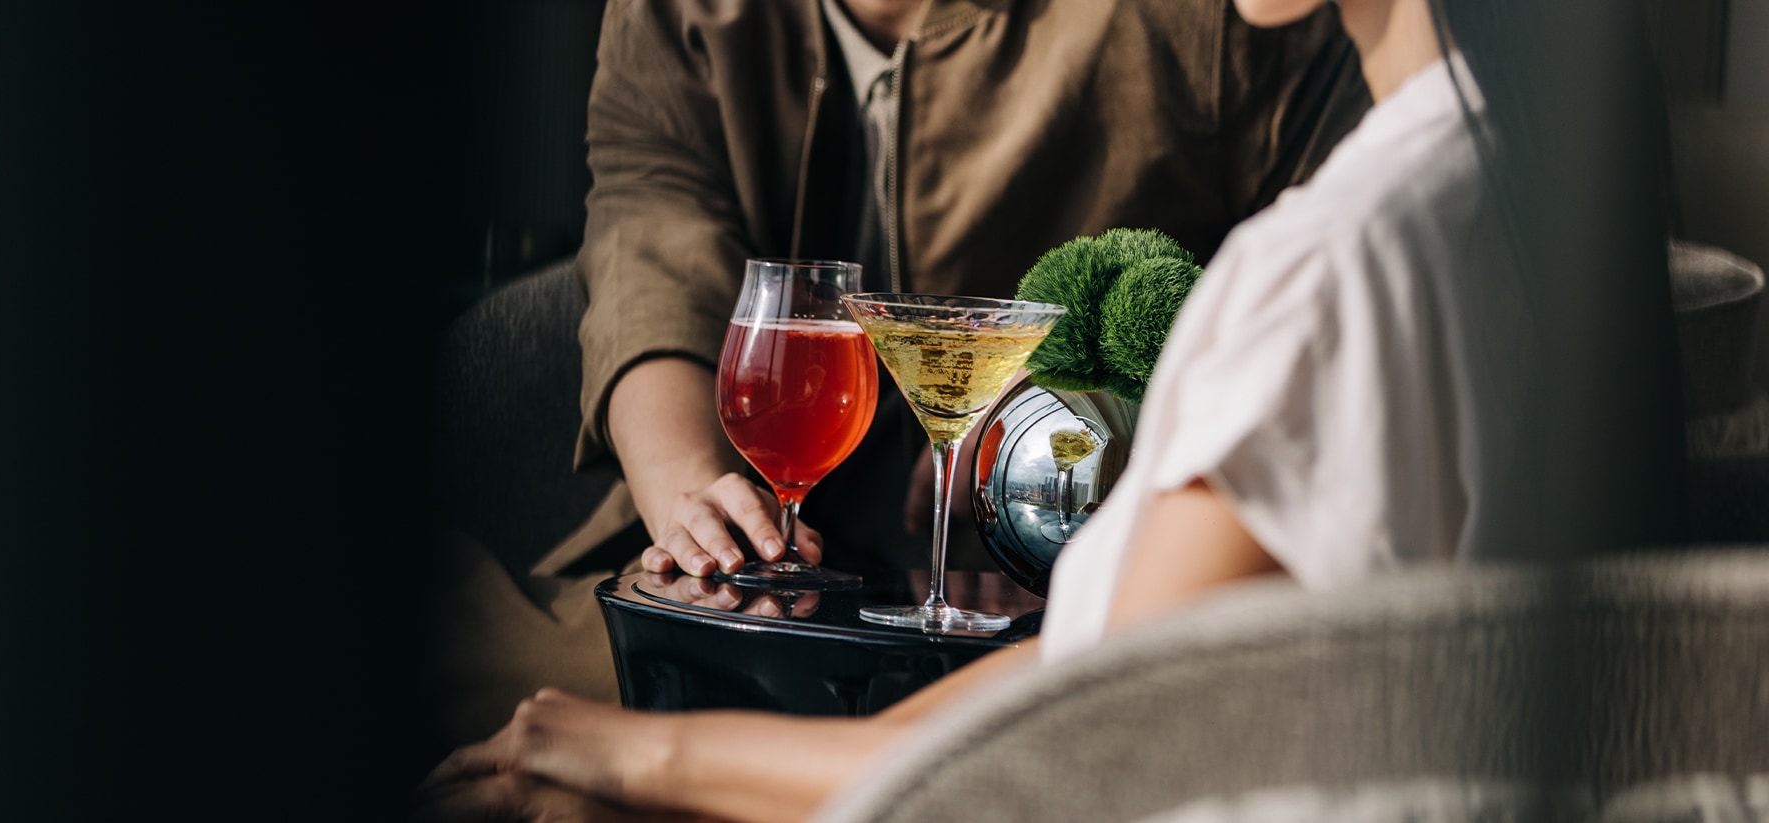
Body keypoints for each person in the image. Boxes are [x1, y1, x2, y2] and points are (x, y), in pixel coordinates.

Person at [421, 0, 1684, 818]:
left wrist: (646, 767)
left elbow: (1076, 749)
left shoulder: (1331, 272)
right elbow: (1123, 687)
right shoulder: (1508, 190)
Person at [440, 0, 1371, 738]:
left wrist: (1069, 429)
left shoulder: (1228, 20)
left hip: (1047, 589)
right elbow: (647, 236)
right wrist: (692, 500)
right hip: (756, 577)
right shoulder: (669, 13)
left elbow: (1338, 278)